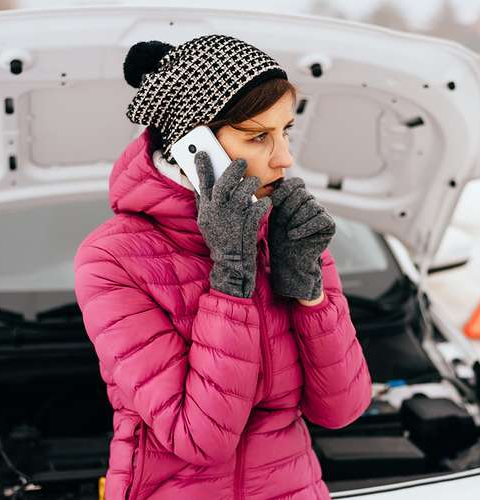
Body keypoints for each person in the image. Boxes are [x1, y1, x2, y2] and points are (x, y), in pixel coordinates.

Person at [72, 34, 372, 500]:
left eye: (285, 131)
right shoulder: (112, 260)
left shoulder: (285, 233)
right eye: (258, 136)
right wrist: (230, 279)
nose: (285, 158)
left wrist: (309, 289)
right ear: (192, 146)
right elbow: (200, 438)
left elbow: (343, 408)